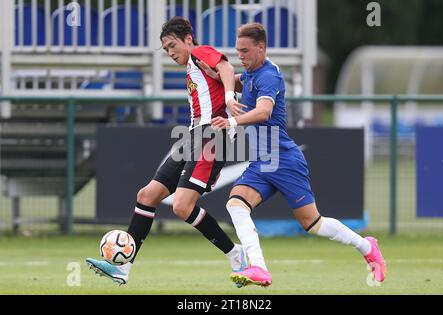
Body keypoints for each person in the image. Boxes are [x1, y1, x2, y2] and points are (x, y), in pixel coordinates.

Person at [202, 23, 387, 287]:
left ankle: (367, 247)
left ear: (261, 47)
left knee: (312, 223)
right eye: (237, 51)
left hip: (284, 160)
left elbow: (264, 111)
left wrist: (231, 122)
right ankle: (259, 268)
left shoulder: (269, 76)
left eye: (245, 51)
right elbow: (234, 79)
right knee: (236, 204)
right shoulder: (252, 73)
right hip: (262, 162)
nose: (240, 56)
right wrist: (212, 71)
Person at [86, 17, 247, 285]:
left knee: (183, 206)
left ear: (188, 39)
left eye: (173, 45)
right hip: (193, 135)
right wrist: (239, 85)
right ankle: (123, 267)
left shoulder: (198, 52)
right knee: (147, 195)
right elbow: (226, 75)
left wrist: (230, 97)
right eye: (166, 49)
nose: (171, 53)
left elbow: (225, 66)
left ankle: (236, 254)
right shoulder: (194, 66)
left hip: (211, 137)